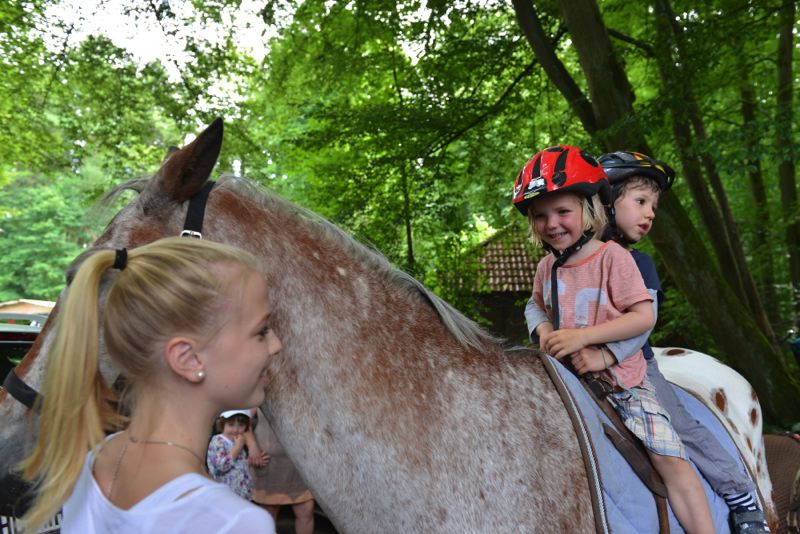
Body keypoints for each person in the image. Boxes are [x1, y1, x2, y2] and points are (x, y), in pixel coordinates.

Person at [513, 145, 715, 534]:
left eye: (563, 212)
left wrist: (595, 347)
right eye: (540, 216)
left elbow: (642, 316)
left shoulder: (612, 258)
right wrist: (545, 332)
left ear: (590, 210)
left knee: (669, 457)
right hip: (565, 382)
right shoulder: (545, 267)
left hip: (623, 383)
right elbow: (535, 307)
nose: (552, 223)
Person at [20, 237, 281, 533]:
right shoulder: (233, 523)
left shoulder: (97, 460)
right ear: (189, 358)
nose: (276, 345)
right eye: (261, 331)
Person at [249, 407, 316, 534]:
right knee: (268, 514)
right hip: (269, 464)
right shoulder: (262, 387)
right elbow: (242, 418)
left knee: (306, 510)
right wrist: (252, 447)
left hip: (300, 464)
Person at [207, 409, 257, 501]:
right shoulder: (218, 441)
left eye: (241, 425)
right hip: (225, 495)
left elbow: (237, 464)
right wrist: (237, 448)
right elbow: (220, 467)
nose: (236, 430)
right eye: (231, 425)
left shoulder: (237, 441)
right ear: (222, 424)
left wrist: (247, 463)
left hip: (240, 493)